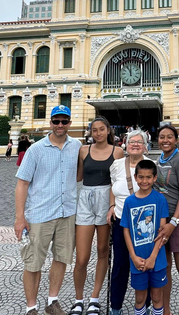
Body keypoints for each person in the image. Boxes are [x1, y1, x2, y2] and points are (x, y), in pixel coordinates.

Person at [14, 105, 81, 315]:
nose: (60, 125)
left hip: (67, 213)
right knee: (33, 262)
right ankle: (31, 307)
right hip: (40, 214)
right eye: (56, 121)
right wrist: (19, 217)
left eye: (64, 121)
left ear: (69, 123)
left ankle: (52, 301)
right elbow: (22, 183)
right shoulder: (36, 150)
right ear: (50, 123)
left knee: (62, 258)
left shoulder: (77, 146)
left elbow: (82, 174)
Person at [72, 116, 124, 315]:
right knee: (82, 257)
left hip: (106, 200)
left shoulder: (117, 151)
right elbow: (78, 176)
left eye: (102, 129)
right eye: (95, 130)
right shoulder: (83, 150)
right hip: (85, 198)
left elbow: (119, 180)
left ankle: (94, 298)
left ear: (108, 130)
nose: (98, 133)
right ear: (90, 132)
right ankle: (78, 299)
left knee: (103, 251)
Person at [107, 130, 150, 315]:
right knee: (120, 266)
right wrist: (111, 206)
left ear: (145, 146)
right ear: (125, 143)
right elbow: (113, 187)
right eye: (131, 141)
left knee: (143, 265)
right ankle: (115, 306)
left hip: (143, 225)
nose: (135, 144)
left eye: (139, 142)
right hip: (120, 222)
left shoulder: (151, 165)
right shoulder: (116, 165)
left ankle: (144, 306)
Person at [121, 159, 169, 315]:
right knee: (140, 299)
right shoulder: (129, 202)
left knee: (157, 298)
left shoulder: (160, 199)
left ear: (155, 178)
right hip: (137, 260)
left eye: (148, 177)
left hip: (157, 259)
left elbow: (162, 232)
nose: (144, 181)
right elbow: (126, 230)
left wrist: (153, 257)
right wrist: (133, 256)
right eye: (141, 177)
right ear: (135, 177)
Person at [153, 124, 179, 315]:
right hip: (161, 219)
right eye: (162, 137)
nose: (165, 140)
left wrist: (174, 223)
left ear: (176, 140)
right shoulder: (158, 160)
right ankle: (165, 310)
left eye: (169, 137)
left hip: (178, 219)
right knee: (164, 268)